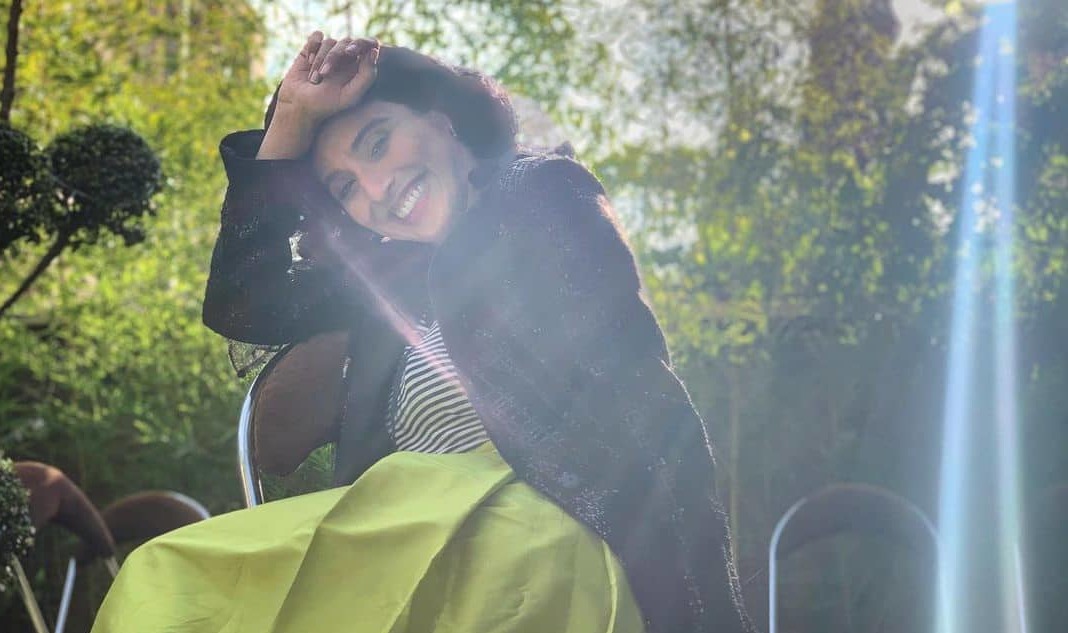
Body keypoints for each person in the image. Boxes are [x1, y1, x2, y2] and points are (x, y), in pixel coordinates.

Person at [91, 33, 753, 633]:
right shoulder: (387, 289)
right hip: (408, 543)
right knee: (167, 576)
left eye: (378, 143)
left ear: (441, 118)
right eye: (345, 189)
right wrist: (290, 121)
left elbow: (624, 407)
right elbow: (242, 305)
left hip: (563, 526)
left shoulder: (544, 194)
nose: (377, 190)